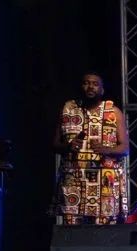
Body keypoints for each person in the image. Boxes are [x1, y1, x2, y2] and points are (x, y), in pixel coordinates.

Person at [54, 73, 128, 225]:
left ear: (101, 90)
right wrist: (68, 146)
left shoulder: (113, 112)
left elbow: (125, 148)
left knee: (103, 234)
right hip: (74, 181)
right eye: (86, 83)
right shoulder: (68, 109)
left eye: (95, 84)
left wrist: (106, 149)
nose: (90, 87)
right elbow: (54, 144)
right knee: (72, 232)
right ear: (81, 87)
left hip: (103, 183)